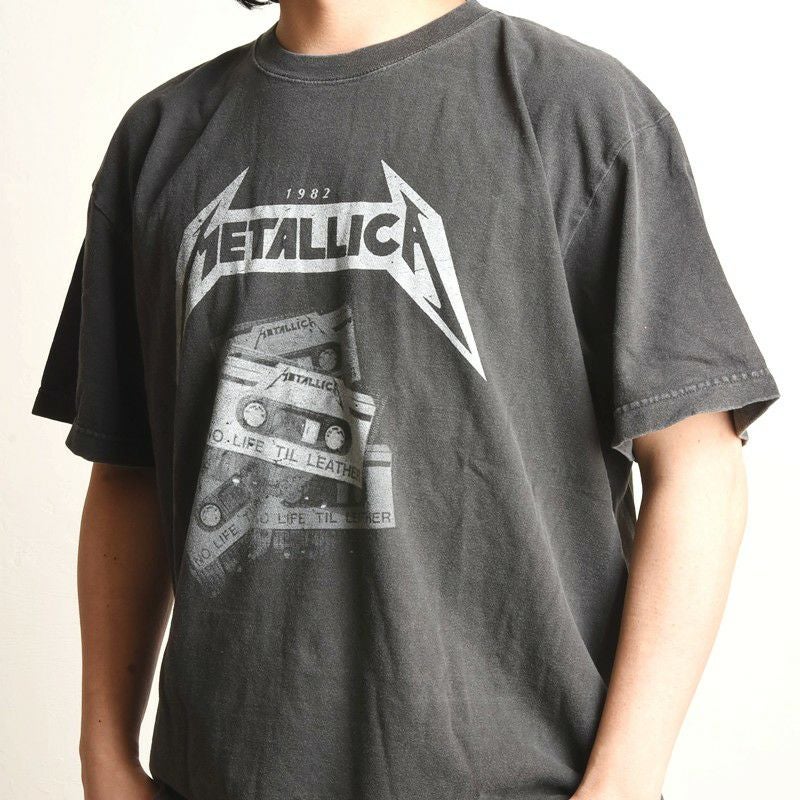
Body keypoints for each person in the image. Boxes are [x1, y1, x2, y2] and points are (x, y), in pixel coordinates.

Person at [32, 1, 779, 798]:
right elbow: (128, 469)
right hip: (220, 775)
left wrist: (623, 780)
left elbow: (698, 464)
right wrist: (104, 752)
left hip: (523, 778)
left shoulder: (575, 108)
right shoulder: (158, 139)